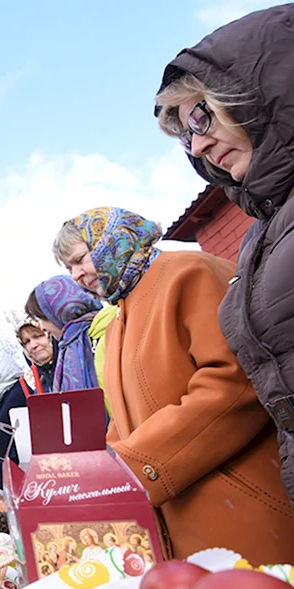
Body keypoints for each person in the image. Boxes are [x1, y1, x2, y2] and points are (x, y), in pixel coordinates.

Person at [54, 206, 294, 564]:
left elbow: (234, 382)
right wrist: (104, 474)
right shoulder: (120, 320)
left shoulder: (188, 271)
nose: (77, 275)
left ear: (112, 240)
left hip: (241, 504)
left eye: (80, 259)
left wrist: (138, 465)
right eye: (69, 268)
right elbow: (123, 416)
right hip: (181, 515)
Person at [154, 4, 294, 513]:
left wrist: (136, 465)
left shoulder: (184, 272)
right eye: (186, 134)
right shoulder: (262, 232)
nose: (199, 143)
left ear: (265, 92)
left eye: (201, 115)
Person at [25, 275, 115, 405]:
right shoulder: (69, 347)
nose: (43, 328)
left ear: (59, 312)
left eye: (43, 318)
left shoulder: (105, 335)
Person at [0, 350, 32, 488]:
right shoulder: (4, 397)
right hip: (10, 483)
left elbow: (23, 445)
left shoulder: (18, 396)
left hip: (22, 485)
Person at [16, 323, 57, 393]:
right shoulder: (38, 388)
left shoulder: (74, 369)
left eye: (37, 336)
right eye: (27, 341)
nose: (33, 345)